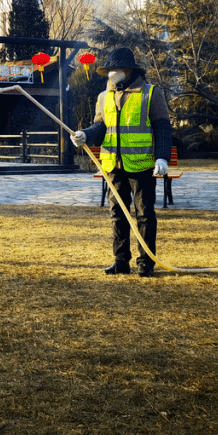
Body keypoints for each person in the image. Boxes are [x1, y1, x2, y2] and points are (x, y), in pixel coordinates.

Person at [71, 48, 173, 277]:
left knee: (145, 214)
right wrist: (85, 134)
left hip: (142, 165)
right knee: (117, 213)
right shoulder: (103, 96)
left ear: (128, 71)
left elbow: (163, 127)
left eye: (115, 70)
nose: (111, 74)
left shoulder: (150, 94)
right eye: (108, 70)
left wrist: (162, 157)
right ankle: (120, 261)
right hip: (112, 166)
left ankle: (146, 262)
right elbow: (101, 126)